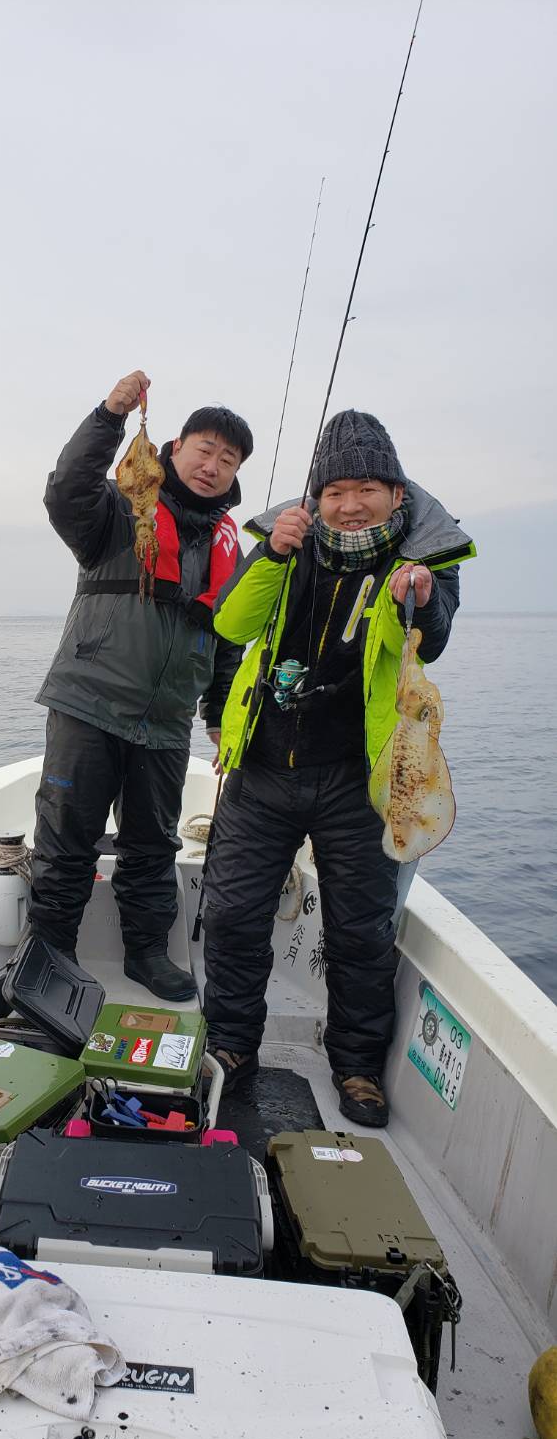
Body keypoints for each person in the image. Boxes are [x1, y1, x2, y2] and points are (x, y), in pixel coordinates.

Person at [202, 410, 475, 1126]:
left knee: (360, 930)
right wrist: (271, 555)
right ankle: (230, 1044)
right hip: (263, 766)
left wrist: (419, 598)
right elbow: (230, 623)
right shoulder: (285, 540)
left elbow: (433, 640)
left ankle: (356, 1064)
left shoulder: (425, 554)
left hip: (361, 779)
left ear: (395, 492)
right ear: (316, 496)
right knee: (231, 914)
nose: (350, 505)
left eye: (366, 490)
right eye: (335, 492)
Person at [29, 370, 253, 1002]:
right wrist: (109, 416)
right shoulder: (119, 510)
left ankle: (147, 953)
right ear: (174, 449)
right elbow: (65, 491)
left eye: (227, 459)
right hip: (89, 704)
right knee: (66, 842)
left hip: (167, 722)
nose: (212, 466)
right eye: (204, 450)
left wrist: (221, 715)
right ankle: (47, 956)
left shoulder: (229, 549)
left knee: (153, 845)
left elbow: (229, 641)